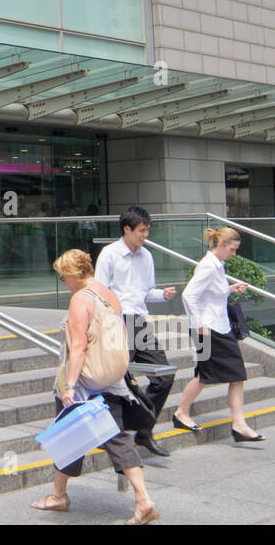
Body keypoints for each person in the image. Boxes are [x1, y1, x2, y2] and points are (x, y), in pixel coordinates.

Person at [31, 249, 159, 525]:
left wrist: (70, 386)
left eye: (63, 277)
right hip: (110, 377)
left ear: (75, 275)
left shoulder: (81, 299)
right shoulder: (108, 294)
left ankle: (143, 499)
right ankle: (58, 494)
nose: (63, 282)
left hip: (85, 381)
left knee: (79, 435)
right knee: (85, 436)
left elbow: (78, 345)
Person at [94, 205, 177, 458]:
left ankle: (143, 430)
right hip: (117, 322)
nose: (144, 236)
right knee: (117, 380)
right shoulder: (109, 255)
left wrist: (162, 295)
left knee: (164, 376)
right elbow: (100, 292)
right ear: (126, 229)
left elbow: (146, 292)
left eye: (147, 230)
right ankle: (109, 433)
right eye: (141, 231)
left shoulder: (146, 256)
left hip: (139, 320)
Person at [172, 227, 262, 440]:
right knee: (207, 375)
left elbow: (209, 293)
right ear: (221, 245)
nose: (234, 254)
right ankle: (182, 412)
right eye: (232, 249)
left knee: (230, 374)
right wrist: (199, 324)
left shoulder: (217, 265)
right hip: (209, 329)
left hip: (218, 328)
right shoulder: (208, 266)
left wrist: (230, 289)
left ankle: (238, 423)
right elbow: (188, 295)